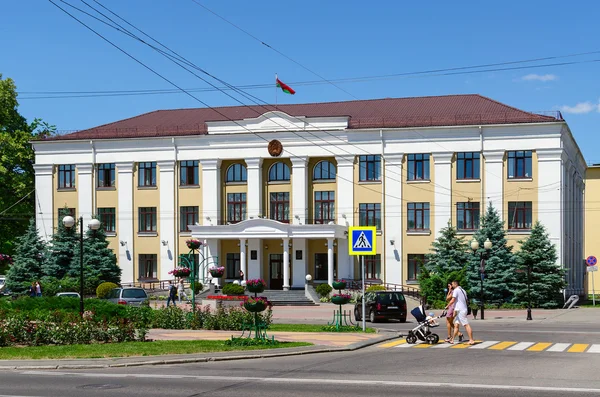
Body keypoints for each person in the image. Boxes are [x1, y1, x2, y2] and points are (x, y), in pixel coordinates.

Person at [445, 280, 475, 345]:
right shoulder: (463, 290)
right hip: (461, 309)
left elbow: (453, 300)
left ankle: (471, 340)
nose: (452, 286)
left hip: (461, 310)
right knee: (456, 325)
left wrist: (447, 306)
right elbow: (466, 301)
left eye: (452, 284)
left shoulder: (456, 290)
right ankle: (452, 340)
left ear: (455, 284)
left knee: (466, 324)